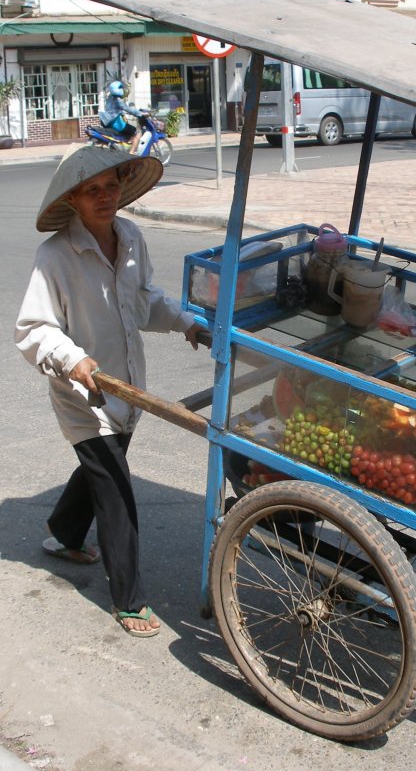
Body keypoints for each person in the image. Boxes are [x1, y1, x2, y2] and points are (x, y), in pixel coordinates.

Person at [15, 145, 205, 637]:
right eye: (91, 190)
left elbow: (144, 302)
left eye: (111, 187)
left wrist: (186, 323)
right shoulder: (55, 256)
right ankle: (129, 599)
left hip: (126, 385)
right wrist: (73, 360)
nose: (104, 197)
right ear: (73, 199)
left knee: (103, 468)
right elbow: (33, 330)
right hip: (83, 395)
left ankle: (63, 533)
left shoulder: (132, 238)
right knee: (116, 488)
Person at [99, 80, 143, 155]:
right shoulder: (118, 100)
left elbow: (114, 110)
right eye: (121, 88)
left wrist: (122, 112)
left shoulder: (109, 98)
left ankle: (124, 149)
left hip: (108, 121)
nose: (123, 90)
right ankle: (131, 153)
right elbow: (127, 108)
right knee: (137, 133)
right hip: (116, 123)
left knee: (127, 133)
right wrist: (140, 114)